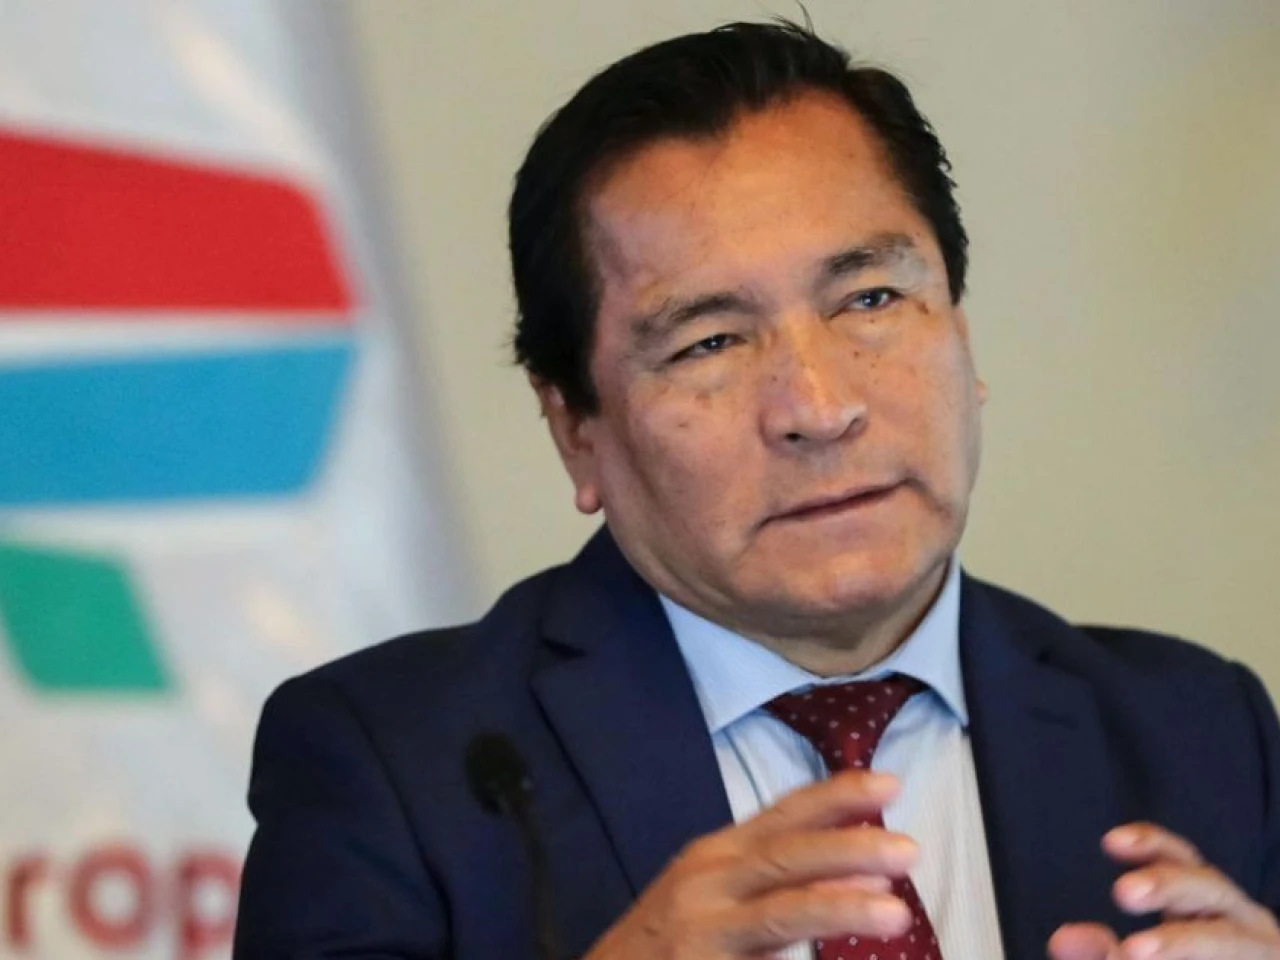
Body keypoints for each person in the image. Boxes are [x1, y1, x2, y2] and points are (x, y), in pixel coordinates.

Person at [233, 19, 1280, 960]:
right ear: (575, 430)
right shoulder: (397, 768)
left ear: (961, 336)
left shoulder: (1199, 731)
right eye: (710, 343)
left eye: (870, 299)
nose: (818, 408)